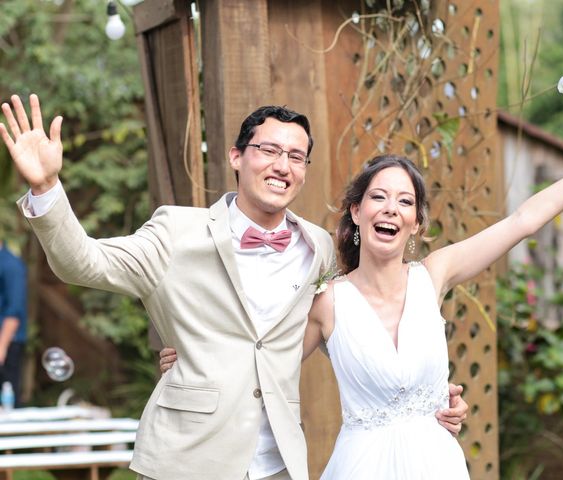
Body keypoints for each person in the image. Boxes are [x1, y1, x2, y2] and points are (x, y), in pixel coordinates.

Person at [0, 94, 467, 480]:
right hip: (188, 459)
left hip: (277, 463)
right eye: (268, 150)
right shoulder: (175, 233)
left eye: (296, 156)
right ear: (237, 157)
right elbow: (83, 263)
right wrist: (47, 189)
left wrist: (427, 394)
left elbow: (351, 334)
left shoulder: (319, 247)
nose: (282, 164)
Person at [298, 150, 563, 479]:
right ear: (356, 211)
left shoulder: (433, 275)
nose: (391, 209)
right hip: (361, 467)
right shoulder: (328, 302)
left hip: (436, 465)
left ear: (417, 223)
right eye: (379, 197)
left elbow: (523, 221)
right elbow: (266, 372)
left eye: (405, 202)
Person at [0, 240, 28, 408]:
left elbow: (15, 311)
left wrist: (2, 347)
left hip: (8, 342)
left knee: (7, 399)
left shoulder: (12, 266)